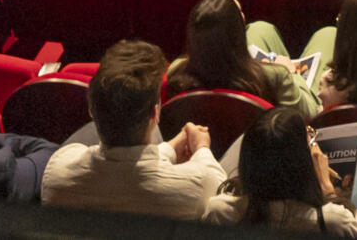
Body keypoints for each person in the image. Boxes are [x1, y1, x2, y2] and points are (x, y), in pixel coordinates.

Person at [40, 38, 236, 216]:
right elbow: (218, 183)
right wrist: (201, 148)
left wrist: (169, 148)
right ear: (155, 112)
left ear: (92, 110)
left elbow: (122, 165)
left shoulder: (56, 173)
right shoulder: (199, 186)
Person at [172, 0, 317, 120]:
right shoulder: (276, 76)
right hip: (261, 147)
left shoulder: (176, 72)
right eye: (239, 13)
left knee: (260, 28)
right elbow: (310, 114)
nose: (243, 15)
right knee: (327, 34)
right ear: (238, 35)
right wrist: (292, 72)